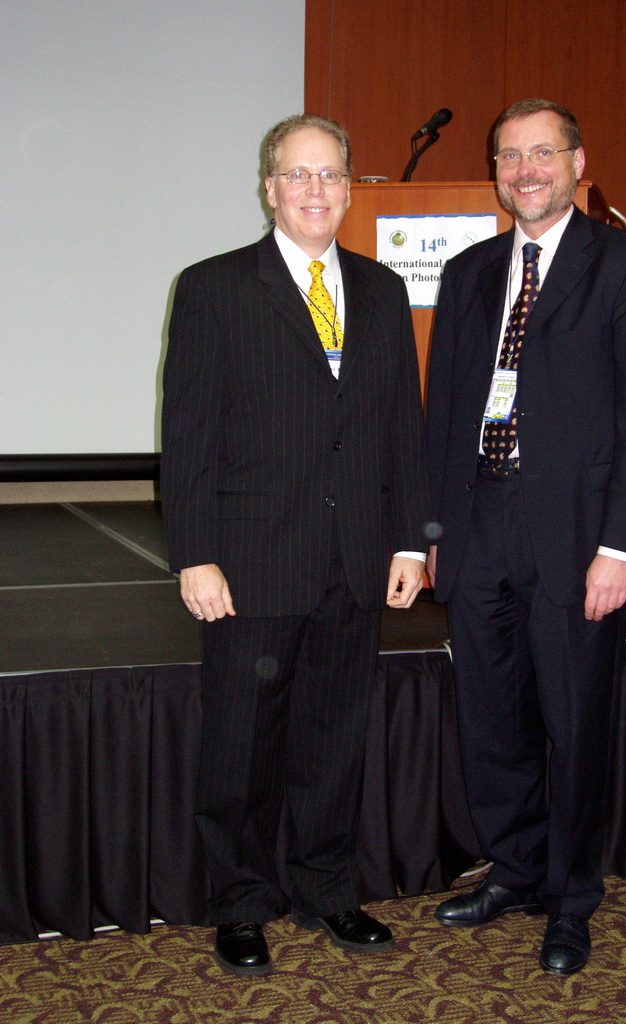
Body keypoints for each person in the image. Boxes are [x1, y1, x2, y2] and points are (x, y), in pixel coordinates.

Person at [161, 113, 429, 976]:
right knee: (240, 748)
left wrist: (411, 542)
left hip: (356, 561)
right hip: (251, 563)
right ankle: (240, 903)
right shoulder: (214, 288)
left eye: (331, 175)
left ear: (349, 188)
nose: (317, 190)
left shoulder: (382, 291)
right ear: (270, 187)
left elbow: (402, 428)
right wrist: (194, 553)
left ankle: (327, 890)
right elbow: (189, 436)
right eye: (299, 174)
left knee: (333, 741)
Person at [425, 98, 626, 975]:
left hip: (577, 536)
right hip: (479, 524)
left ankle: (570, 898)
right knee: (490, 717)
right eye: (509, 156)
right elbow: (445, 411)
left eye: (542, 153)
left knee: (573, 721)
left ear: (577, 162)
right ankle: (515, 870)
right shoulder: (468, 272)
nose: (525, 170)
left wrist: (621, 546)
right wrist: (435, 531)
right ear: (494, 172)